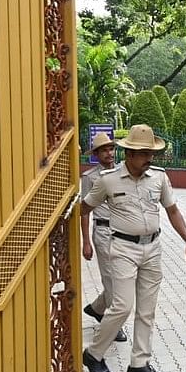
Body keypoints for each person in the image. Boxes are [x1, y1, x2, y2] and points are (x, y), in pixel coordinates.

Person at [79, 124, 186, 372]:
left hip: (153, 249)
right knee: (122, 306)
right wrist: (84, 240)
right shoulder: (107, 180)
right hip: (122, 249)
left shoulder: (159, 177)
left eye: (151, 153)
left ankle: (139, 364)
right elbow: (84, 207)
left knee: (147, 310)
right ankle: (94, 354)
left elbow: (173, 211)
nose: (149, 158)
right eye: (144, 153)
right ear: (129, 154)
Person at [80, 132, 128, 344]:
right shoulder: (90, 177)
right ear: (96, 155)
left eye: (111, 149)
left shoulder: (122, 172)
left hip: (124, 233)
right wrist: (86, 242)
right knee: (111, 280)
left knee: (123, 279)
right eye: (104, 150)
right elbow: (84, 211)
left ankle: (97, 308)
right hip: (102, 232)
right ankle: (113, 324)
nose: (109, 153)